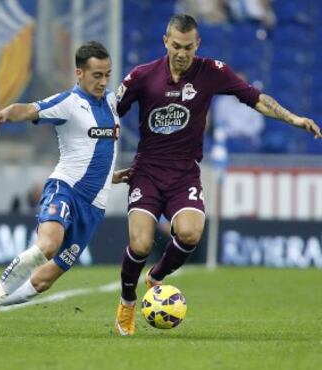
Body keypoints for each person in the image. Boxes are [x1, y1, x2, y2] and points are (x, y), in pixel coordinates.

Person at [114, 14, 322, 336]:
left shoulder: (211, 72)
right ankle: (127, 302)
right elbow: (109, 115)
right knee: (140, 244)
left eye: (188, 47)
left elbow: (255, 98)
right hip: (147, 174)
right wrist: (102, 164)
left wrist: (293, 118)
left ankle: (156, 277)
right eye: (176, 46)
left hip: (184, 175)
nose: (182, 53)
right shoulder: (142, 77)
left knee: (190, 234)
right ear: (165, 41)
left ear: (197, 44)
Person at [0, 41, 129, 336]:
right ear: (79, 73)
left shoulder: (111, 103)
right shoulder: (68, 103)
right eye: (96, 75)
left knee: (42, 282)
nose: (103, 81)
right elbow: (29, 109)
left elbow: (97, 150)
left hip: (93, 208)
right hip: (65, 188)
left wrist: (110, 176)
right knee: (47, 246)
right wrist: (4, 113)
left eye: (107, 74)